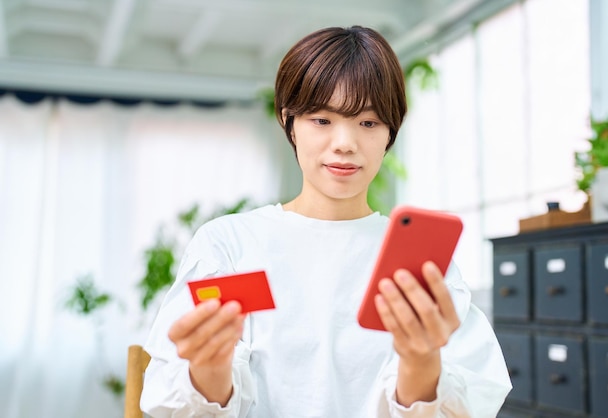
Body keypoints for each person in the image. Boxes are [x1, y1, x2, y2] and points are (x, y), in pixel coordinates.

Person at [140, 26, 512, 418]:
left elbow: (469, 399)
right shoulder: (229, 243)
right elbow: (173, 405)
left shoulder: (415, 260)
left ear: (390, 133)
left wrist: (421, 364)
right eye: (321, 120)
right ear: (289, 122)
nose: (345, 143)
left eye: (368, 123)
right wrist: (208, 371)